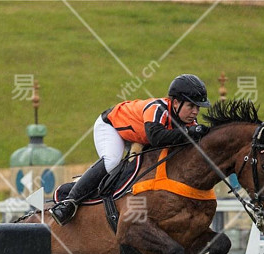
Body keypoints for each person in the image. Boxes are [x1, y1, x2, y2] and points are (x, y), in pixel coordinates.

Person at [50, 74, 212, 225]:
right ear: (176, 103)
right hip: (112, 126)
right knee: (112, 161)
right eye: (191, 106)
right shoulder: (158, 109)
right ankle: (69, 202)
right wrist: (188, 132)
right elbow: (156, 138)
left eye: (198, 108)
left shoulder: (189, 122)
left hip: (138, 135)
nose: (195, 112)